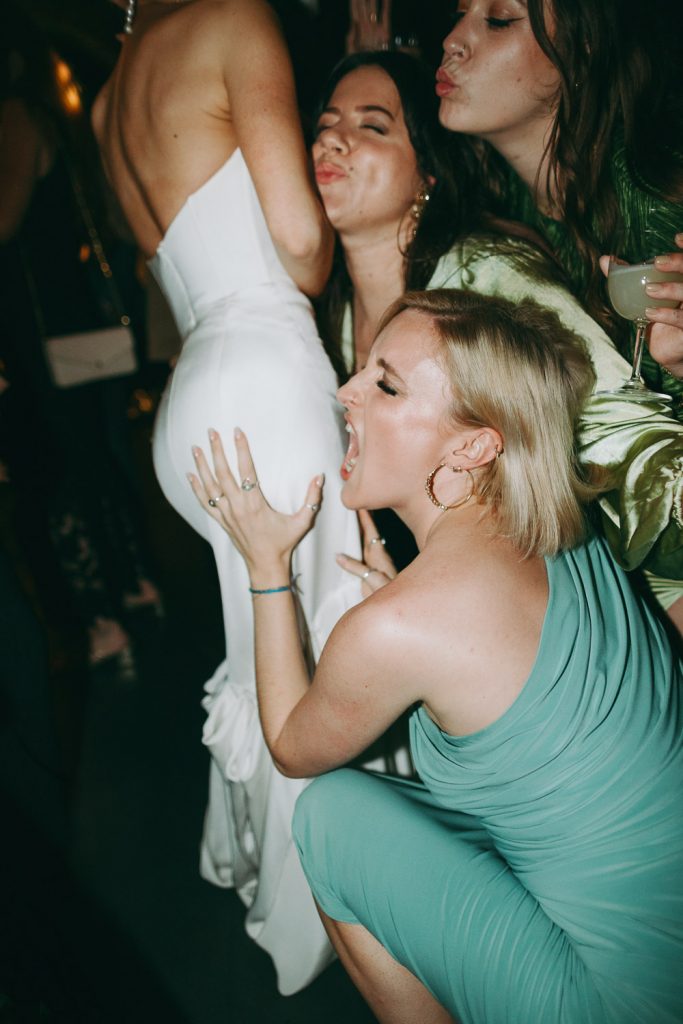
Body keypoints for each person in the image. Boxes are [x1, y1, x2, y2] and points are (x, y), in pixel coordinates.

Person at [190, 288, 683, 1024]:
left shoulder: (406, 624)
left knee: (327, 816)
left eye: (385, 385)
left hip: (614, 1003)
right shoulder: (563, 526)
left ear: (472, 445)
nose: (346, 390)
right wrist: (407, 607)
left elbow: (292, 747)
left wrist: (267, 567)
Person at [93, 0, 376, 995]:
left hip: (195, 396)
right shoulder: (233, 20)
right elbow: (300, 246)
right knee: (324, 641)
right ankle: (335, 912)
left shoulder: (112, 87)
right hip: (264, 376)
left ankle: (270, 875)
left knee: (266, 642)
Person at [312, 49, 683, 624]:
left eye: (371, 126)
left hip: (638, 600)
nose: (331, 142)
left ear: (427, 173)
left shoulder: (485, 278)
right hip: (503, 612)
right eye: (324, 125)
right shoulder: (334, 315)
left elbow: (622, 437)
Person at [0, 2, 159, 669]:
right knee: (95, 455)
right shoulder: (50, 115)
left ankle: (100, 617)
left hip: (43, 329)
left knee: (59, 469)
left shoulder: (13, 115)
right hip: (77, 318)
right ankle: (136, 584)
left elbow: (3, 223)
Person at [436, 0, 683, 401]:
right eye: (458, 14)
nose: (452, 42)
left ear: (580, 46)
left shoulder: (656, 195)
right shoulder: (490, 204)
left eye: (499, 21)